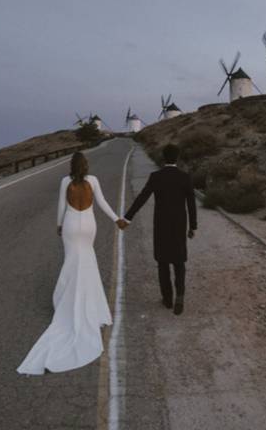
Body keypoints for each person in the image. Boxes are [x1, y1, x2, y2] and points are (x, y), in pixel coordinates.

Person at [17, 152, 128, 375]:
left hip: (70, 225)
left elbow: (61, 206)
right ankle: (90, 305)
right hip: (88, 225)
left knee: (71, 263)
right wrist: (117, 219)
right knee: (87, 262)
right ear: (86, 166)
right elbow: (103, 202)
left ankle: (66, 303)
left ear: (71, 165)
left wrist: (59, 225)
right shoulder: (93, 181)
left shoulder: (64, 182)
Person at [122, 143, 197, 315]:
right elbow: (191, 204)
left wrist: (128, 217)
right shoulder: (185, 177)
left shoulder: (156, 177)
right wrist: (193, 226)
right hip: (179, 224)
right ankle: (180, 295)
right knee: (179, 262)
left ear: (164, 157)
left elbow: (142, 198)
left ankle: (167, 298)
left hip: (161, 224)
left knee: (162, 262)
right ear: (177, 158)